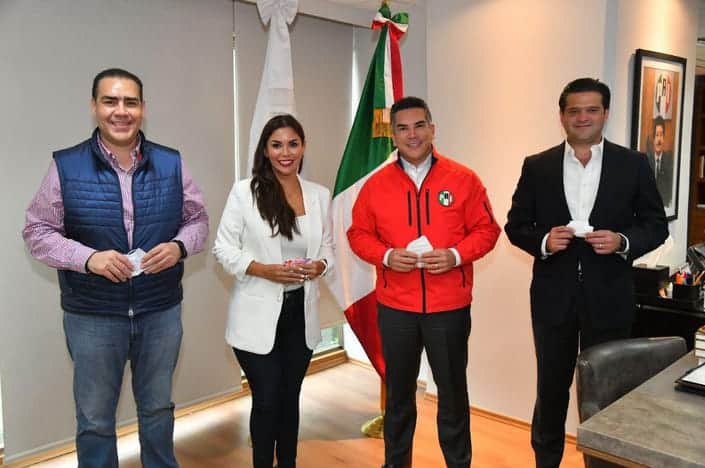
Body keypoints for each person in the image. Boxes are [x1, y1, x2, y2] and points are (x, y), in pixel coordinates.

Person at [22, 68, 209, 467]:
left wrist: (178, 247)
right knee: (94, 421)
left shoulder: (172, 163)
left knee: (158, 410)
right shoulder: (66, 166)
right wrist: (88, 259)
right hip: (93, 316)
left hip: (160, 312)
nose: (121, 111)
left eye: (130, 102)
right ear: (94, 107)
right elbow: (37, 232)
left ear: (143, 108)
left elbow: (198, 221)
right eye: (110, 101)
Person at [505, 78, 668, 468]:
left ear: (605, 114)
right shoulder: (537, 166)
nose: (583, 118)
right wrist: (544, 241)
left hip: (610, 297)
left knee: (606, 392)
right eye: (574, 110)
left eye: (591, 110)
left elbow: (655, 225)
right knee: (550, 391)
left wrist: (623, 241)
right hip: (552, 300)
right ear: (562, 116)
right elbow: (515, 226)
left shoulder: (633, 164)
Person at [347, 96, 501, 468]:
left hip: (448, 308)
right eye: (402, 128)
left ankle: (458, 463)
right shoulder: (375, 185)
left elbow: (488, 230)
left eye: (419, 125)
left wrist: (455, 255)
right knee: (399, 398)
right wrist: (386, 256)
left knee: (452, 396)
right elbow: (358, 234)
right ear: (393, 135)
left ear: (432, 128)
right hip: (396, 309)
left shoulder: (463, 179)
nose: (412, 134)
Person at [213, 114, 333, 468]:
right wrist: (263, 269)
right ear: (265, 150)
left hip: (301, 314)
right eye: (277, 145)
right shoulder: (244, 192)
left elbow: (328, 248)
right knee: (266, 399)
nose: (286, 152)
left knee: (289, 398)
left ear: (303, 147)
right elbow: (223, 249)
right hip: (255, 317)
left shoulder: (319, 195)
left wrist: (321, 266)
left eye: (293, 144)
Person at [646, 116, 673, 206]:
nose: (659, 140)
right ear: (653, 139)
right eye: (657, 135)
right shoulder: (647, 161)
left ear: (664, 138)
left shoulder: (669, 161)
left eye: (661, 135)